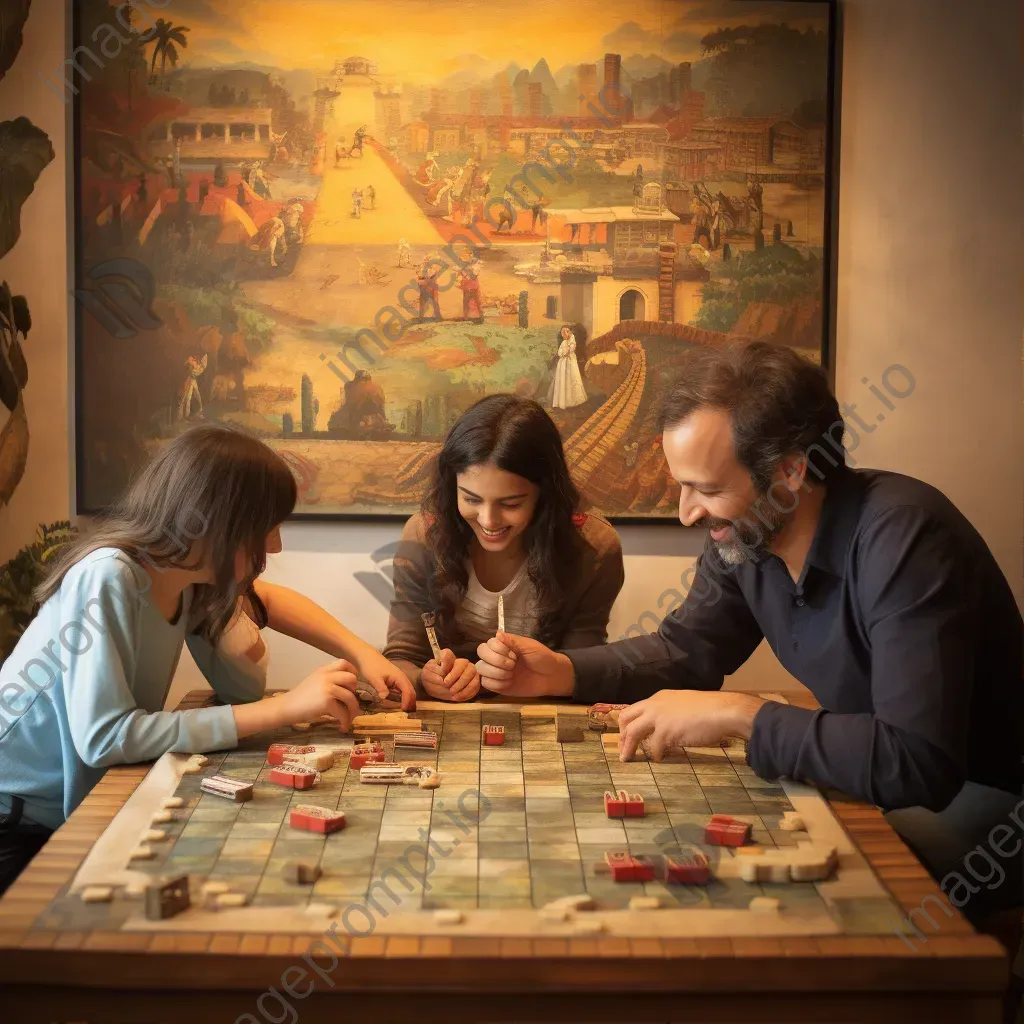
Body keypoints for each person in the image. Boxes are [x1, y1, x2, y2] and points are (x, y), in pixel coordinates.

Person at [475, 342, 1024, 922]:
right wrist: (561, 671)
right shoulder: (747, 536)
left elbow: (918, 764)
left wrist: (745, 715)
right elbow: (685, 651)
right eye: (681, 486)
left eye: (707, 490)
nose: (687, 512)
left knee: (815, 881)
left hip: (993, 797)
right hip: (886, 777)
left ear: (789, 472)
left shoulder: (905, 539)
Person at [0, 425, 415, 895]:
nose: (274, 547)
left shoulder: (190, 582)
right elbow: (105, 737)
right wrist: (288, 707)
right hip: (16, 819)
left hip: (69, 809)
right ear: (218, 523)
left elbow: (246, 678)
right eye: (266, 528)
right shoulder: (109, 576)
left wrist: (361, 654)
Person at [383, 394, 624, 703]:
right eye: (471, 499)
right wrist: (425, 680)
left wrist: (539, 673)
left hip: (544, 716)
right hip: (450, 718)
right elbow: (400, 657)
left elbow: (582, 665)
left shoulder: (593, 547)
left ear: (544, 494)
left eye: (511, 504)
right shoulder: (424, 535)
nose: (488, 520)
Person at [548, 325, 588, 410]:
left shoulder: (572, 342)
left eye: (567, 331)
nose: (564, 334)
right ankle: (562, 401)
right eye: (563, 332)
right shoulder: (564, 342)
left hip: (570, 364)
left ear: (570, 332)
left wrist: (564, 350)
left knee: (571, 379)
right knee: (562, 380)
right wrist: (562, 351)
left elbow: (566, 352)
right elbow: (560, 353)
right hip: (562, 364)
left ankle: (572, 401)